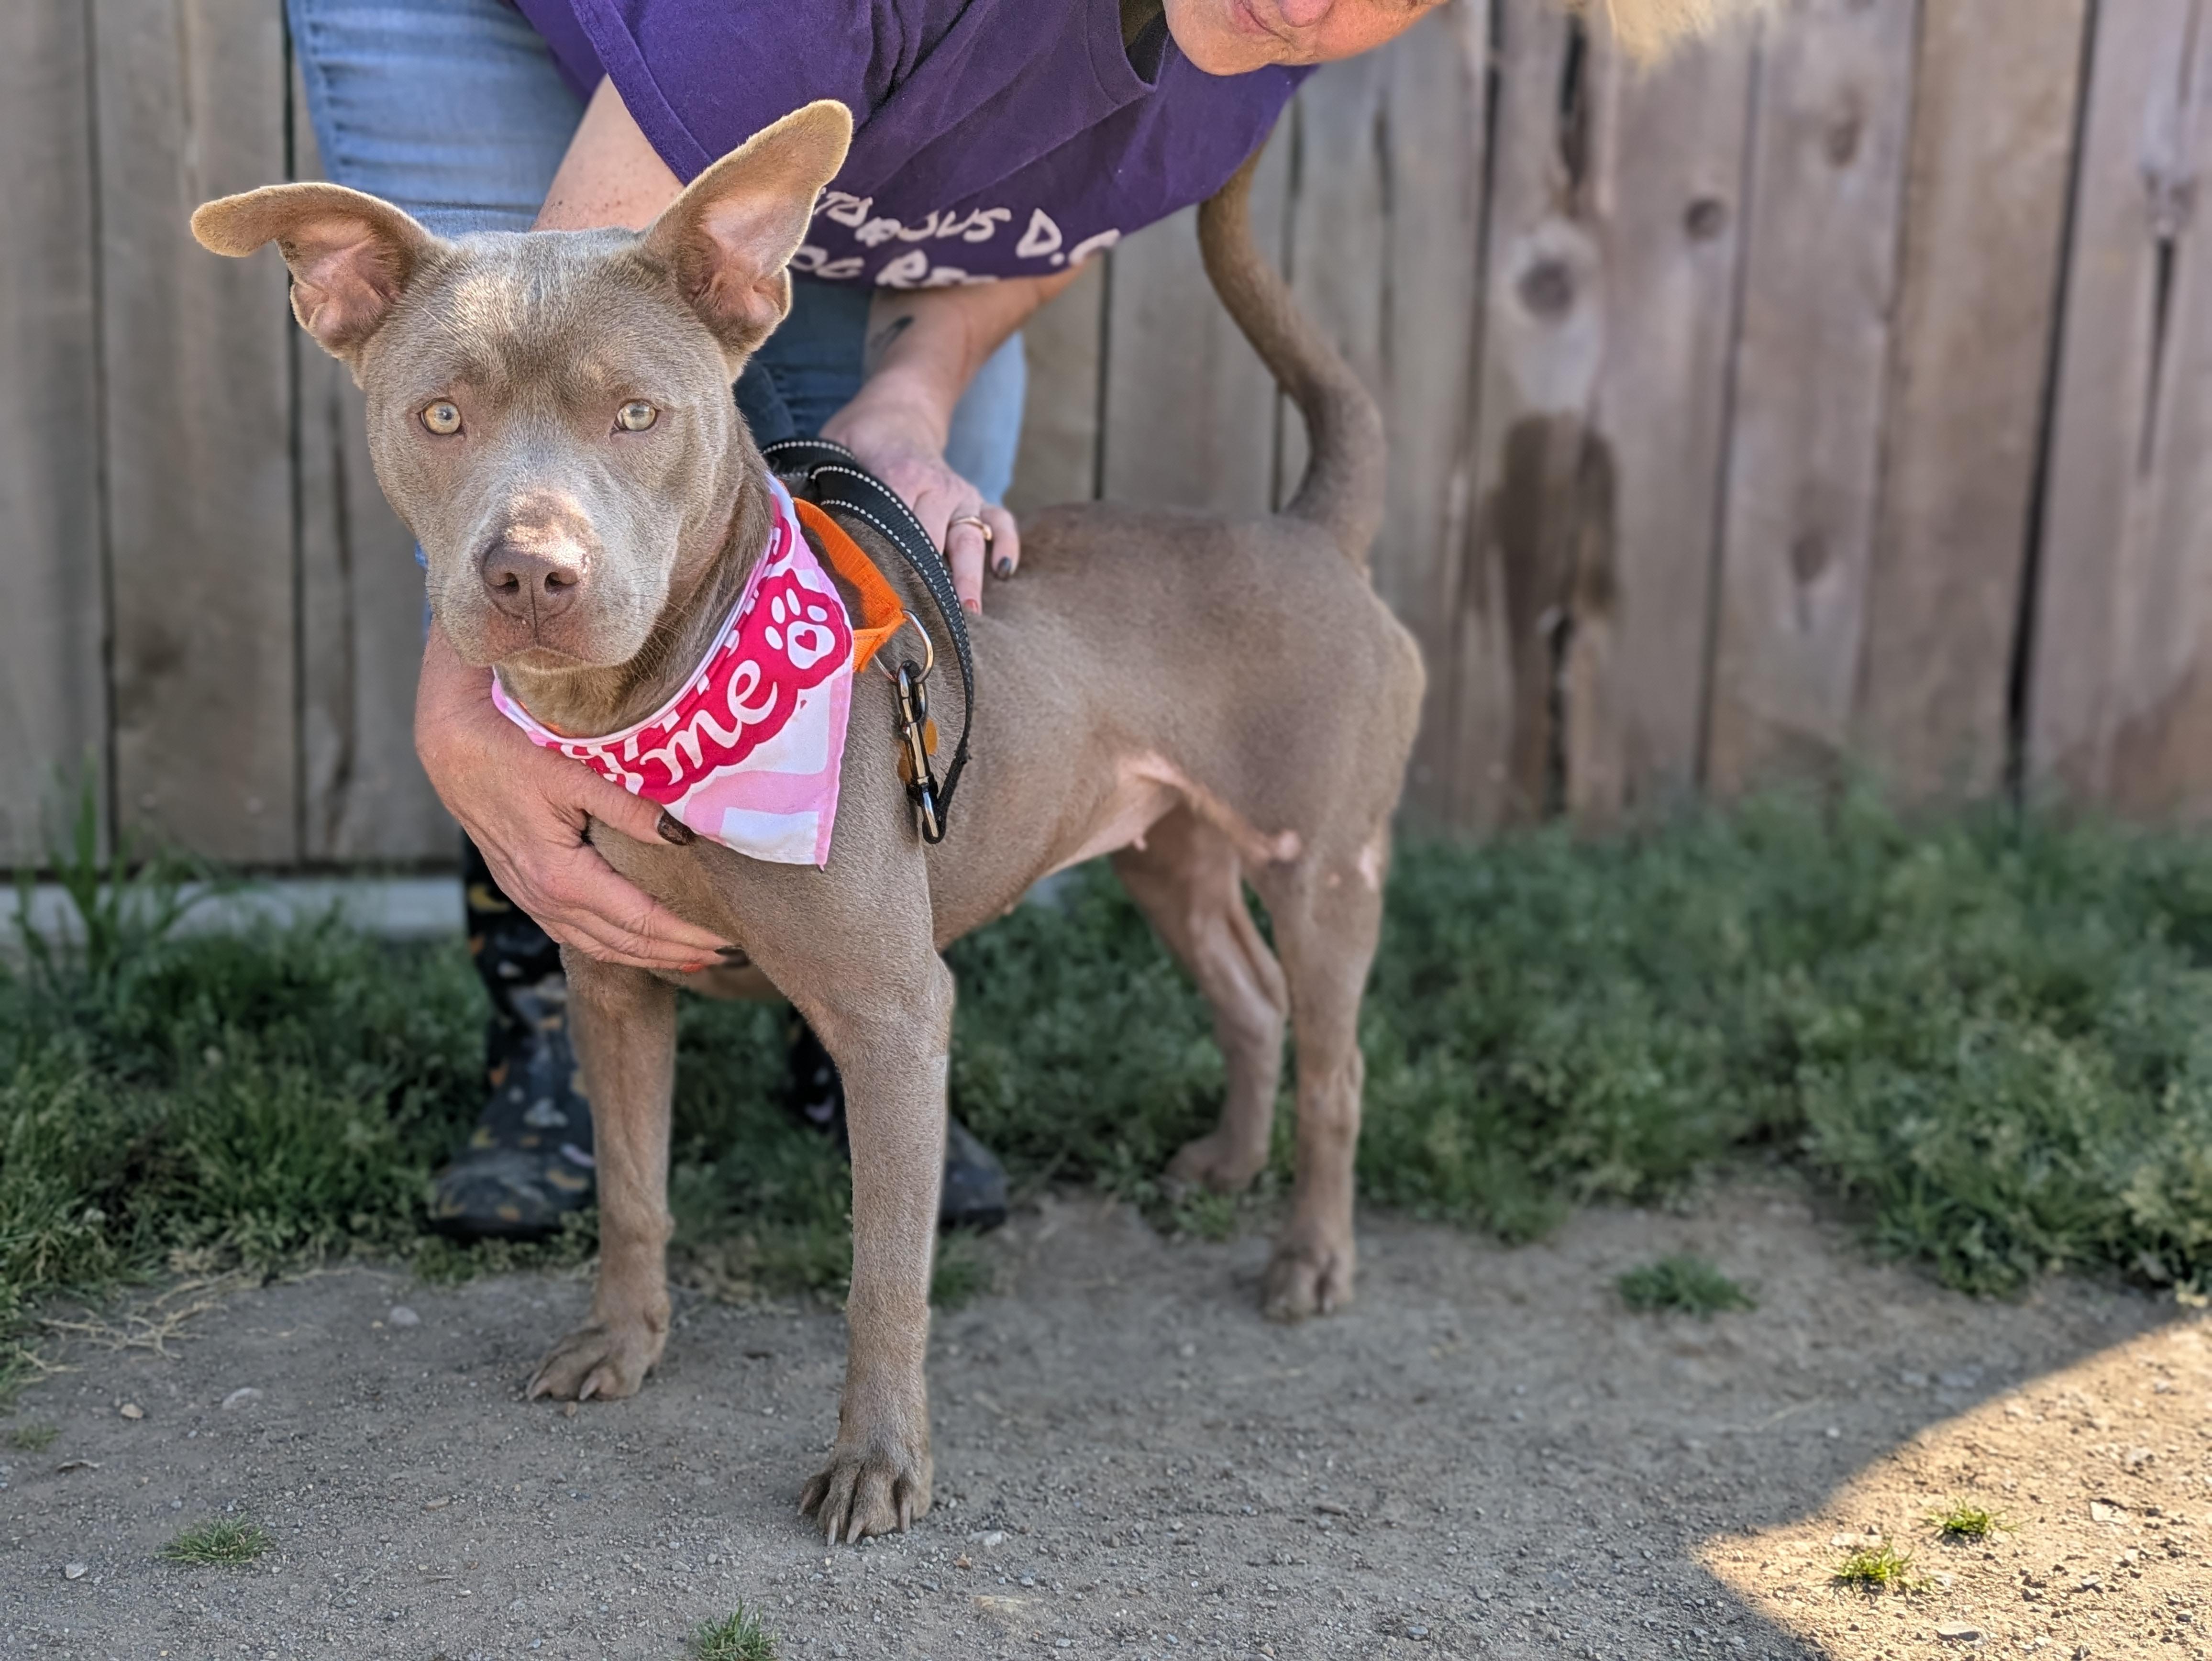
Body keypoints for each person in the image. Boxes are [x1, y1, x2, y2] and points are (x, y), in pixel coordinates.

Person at [288, 0, 1451, 1239]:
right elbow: (552, 394)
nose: (1315, 4)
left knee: (885, 604)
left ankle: (843, 996)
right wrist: (474, 701)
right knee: (557, 501)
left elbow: (1045, 218)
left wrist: (912, 397)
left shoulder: (1267, 44)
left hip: (824, 104)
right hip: (540, 29)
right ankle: (556, 1025)